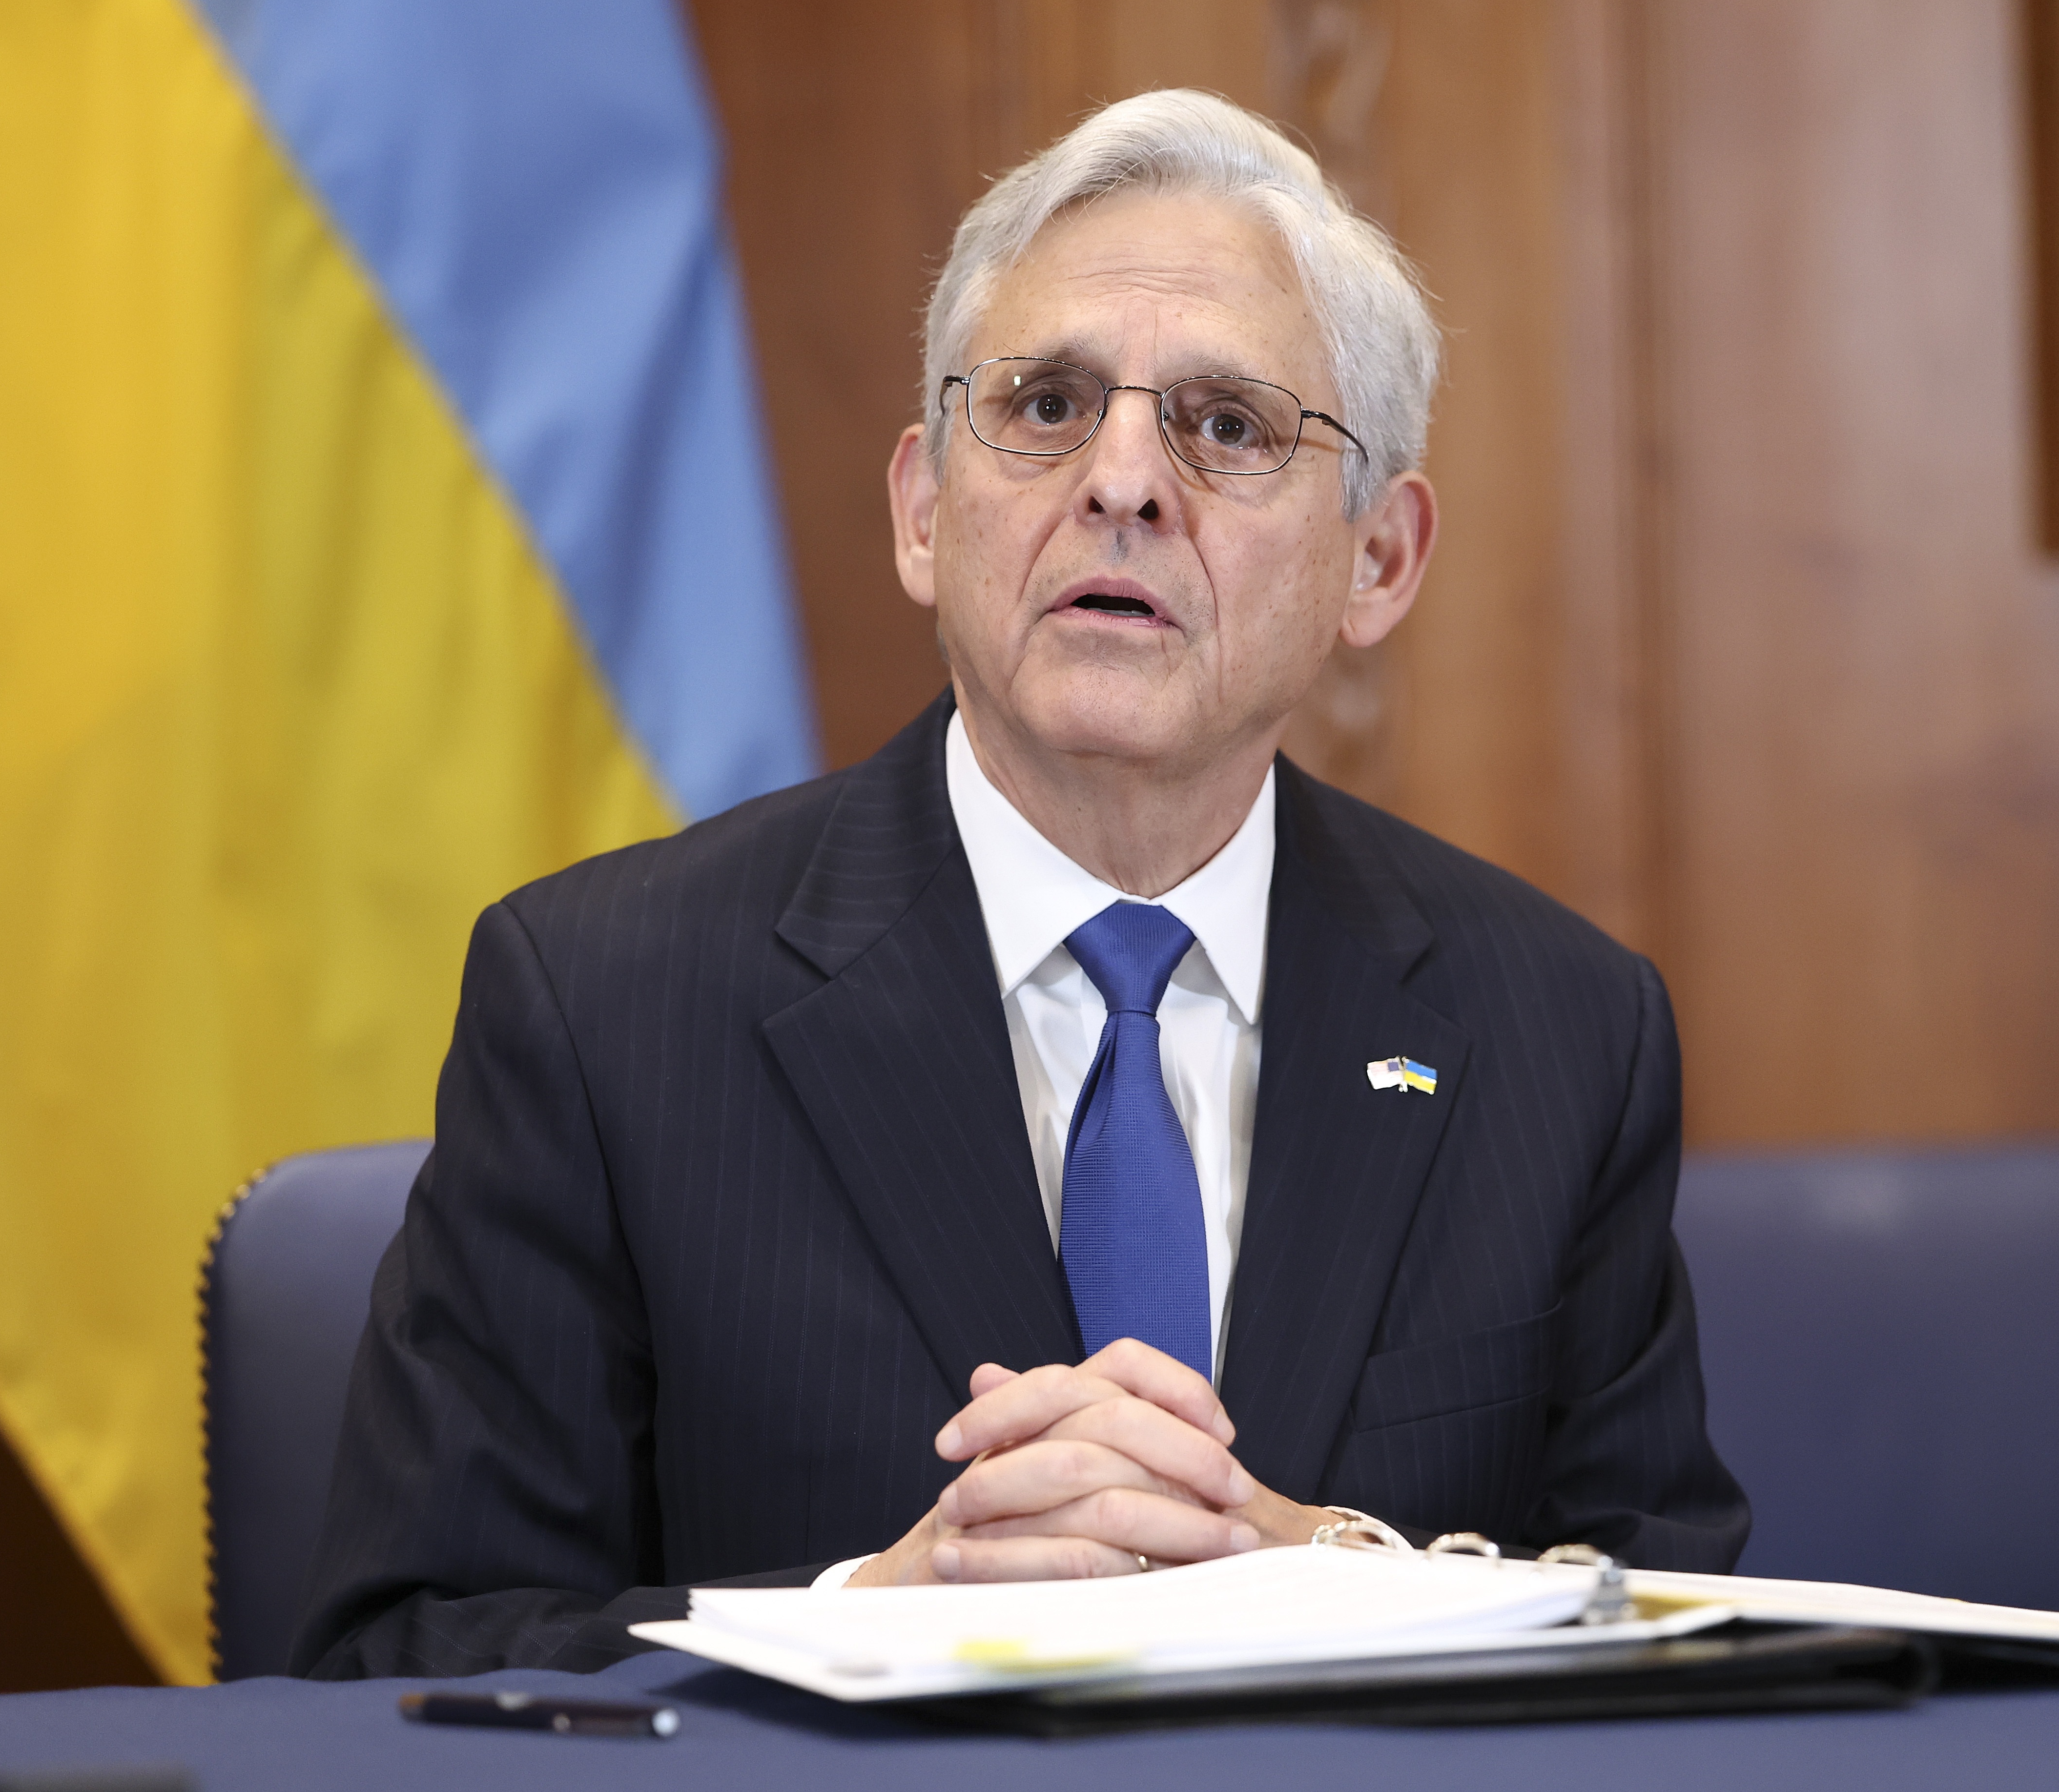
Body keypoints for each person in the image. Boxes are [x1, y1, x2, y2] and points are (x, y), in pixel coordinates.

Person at [293, 88, 1747, 1679]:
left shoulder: (1553, 1027)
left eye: (1228, 426)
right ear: (925, 510)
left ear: (1375, 564)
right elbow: (410, 1654)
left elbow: (1670, 1636)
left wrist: (1330, 1568)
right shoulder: (601, 1001)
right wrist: (868, 1617)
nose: (1121, 481)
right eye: (1047, 406)